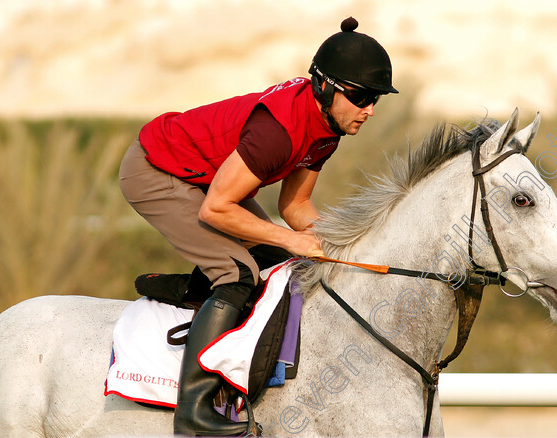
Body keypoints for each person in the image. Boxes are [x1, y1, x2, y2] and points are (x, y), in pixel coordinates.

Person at [117, 17, 397, 437]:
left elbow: (295, 205)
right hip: (157, 170)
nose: (369, 110)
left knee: (278, 259)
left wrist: (344, 245)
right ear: (324, 87)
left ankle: (189, 291)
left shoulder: (326, 130)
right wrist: (292, 239)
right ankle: (193, 410)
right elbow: (216, 210)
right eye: (360, 97)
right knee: (238, 274)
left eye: (376, 99)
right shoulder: (278, 134)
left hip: (204, 177)